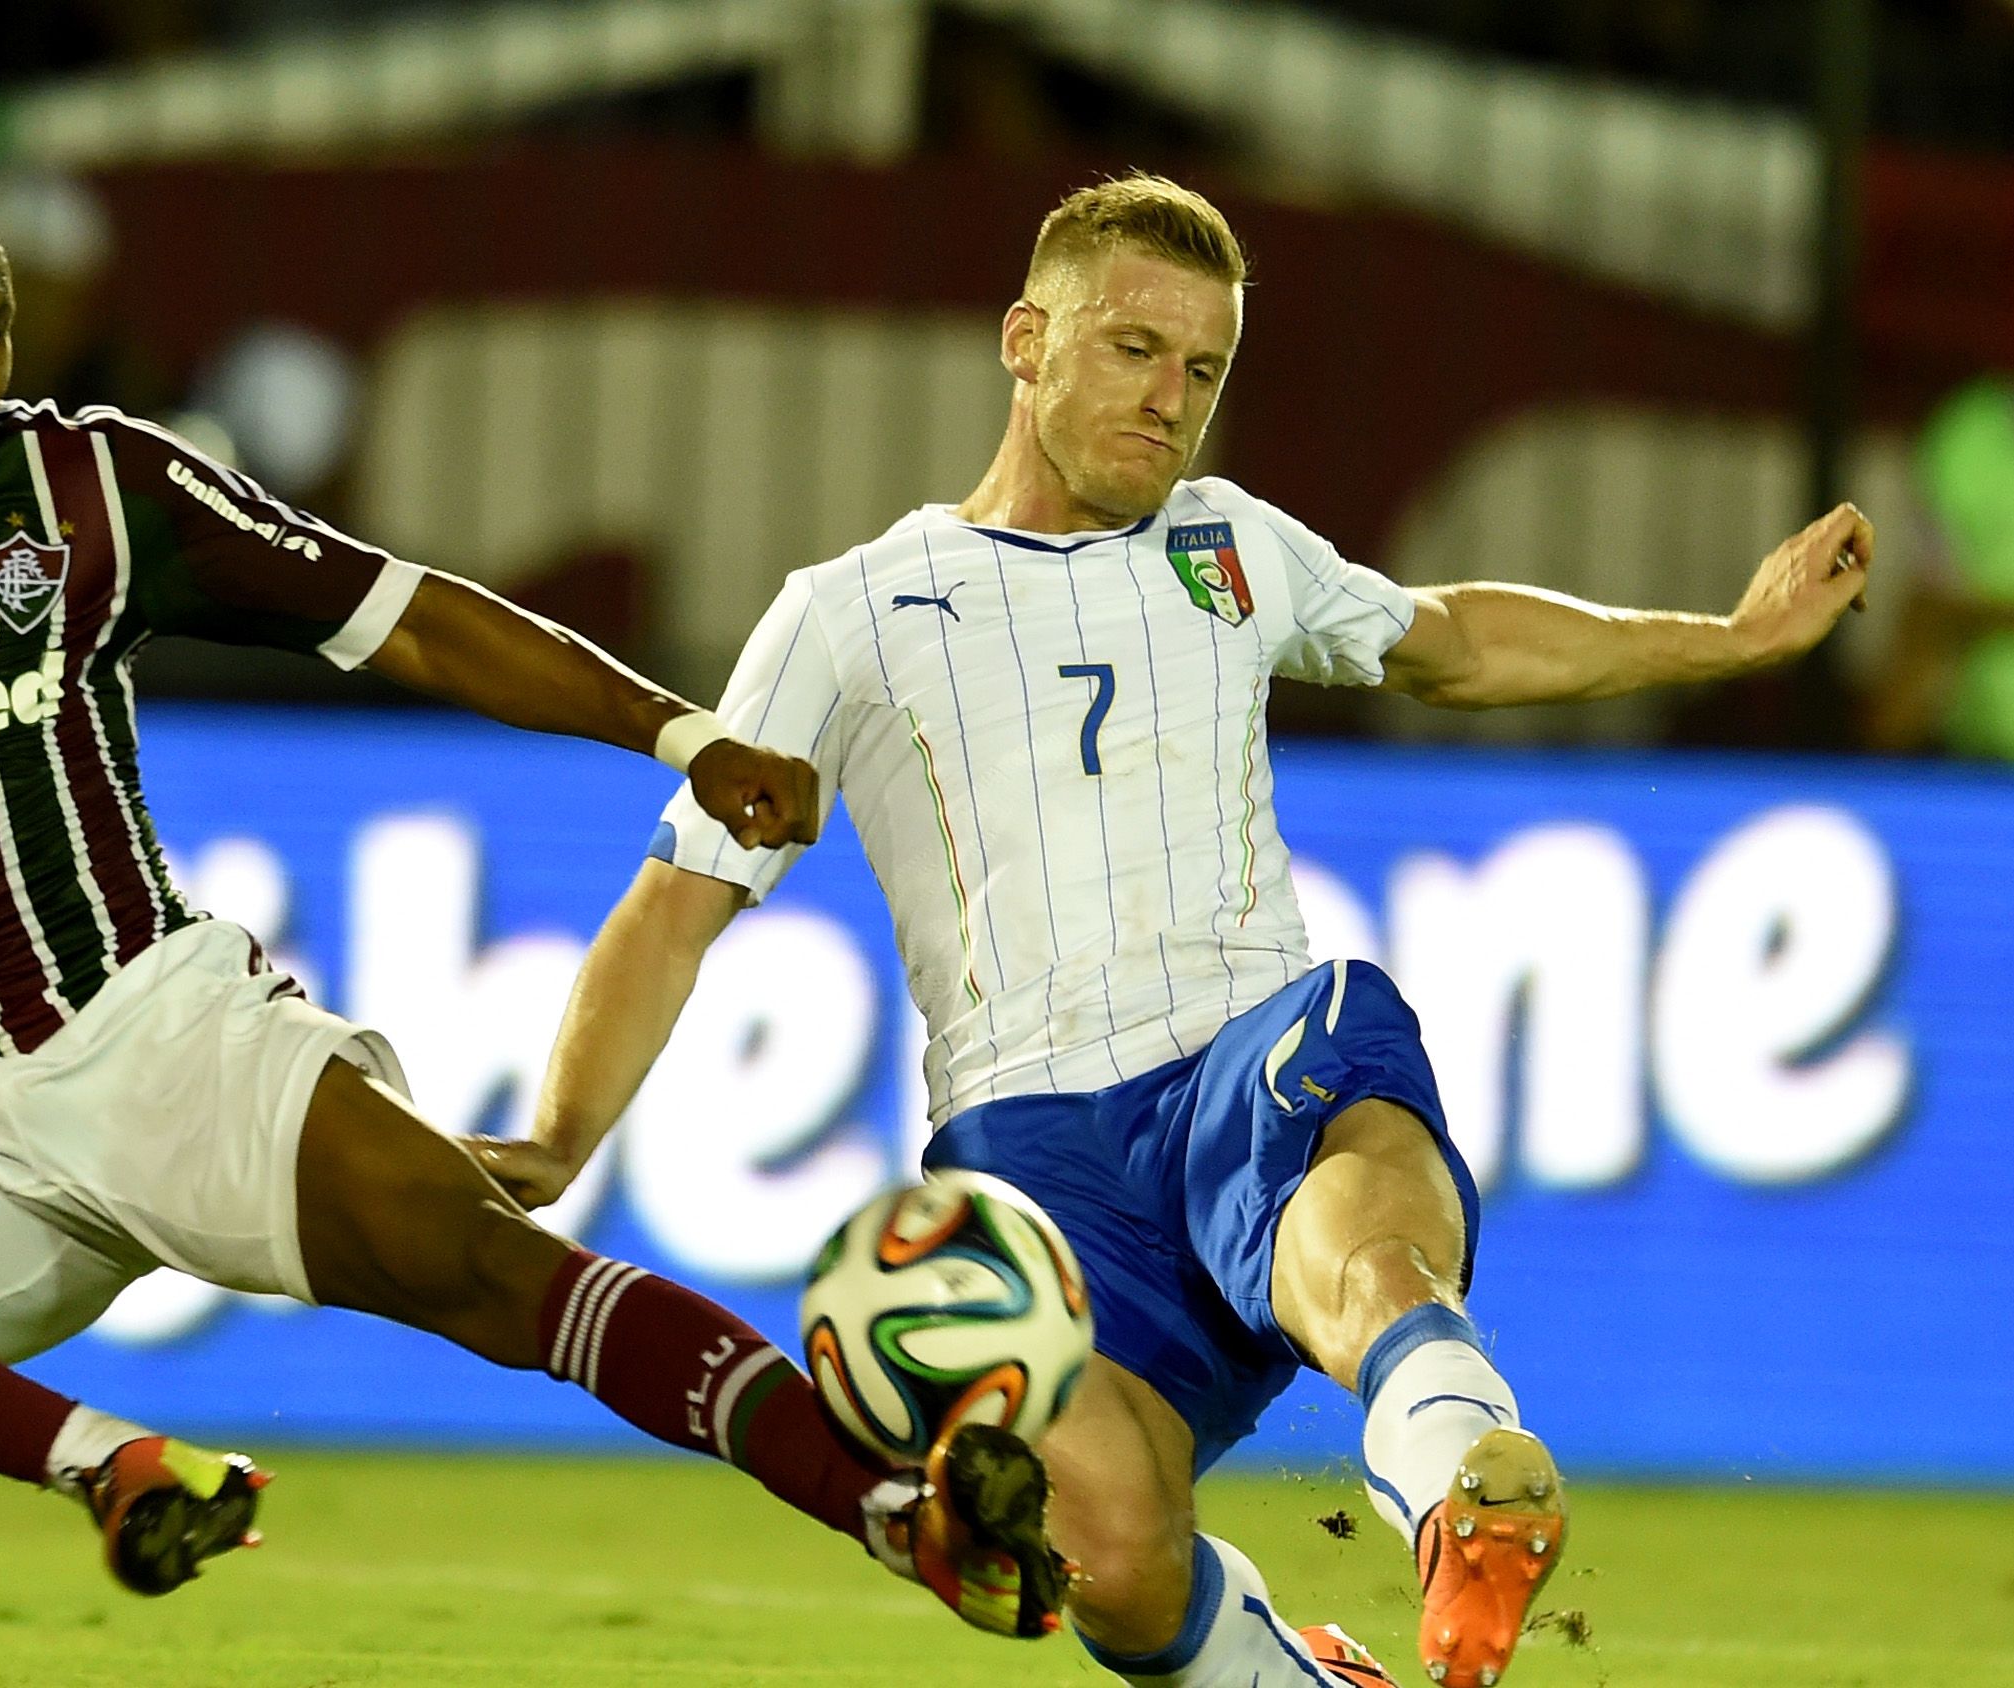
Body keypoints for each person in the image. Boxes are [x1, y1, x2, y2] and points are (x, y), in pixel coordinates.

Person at [0, 82, 1071, 1637]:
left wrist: (686, 735)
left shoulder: (95, 489)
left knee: (484, 1259)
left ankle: (898, 1509)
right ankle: (113, 1463)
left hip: (160, 1038)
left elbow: (413, 620)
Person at [486, 173, 1873, 1687]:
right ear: (1026, 341)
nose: (1172, 401)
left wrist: (1730, 639)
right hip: (1034, 1154)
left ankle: (1466, 1490)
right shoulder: (852, 613)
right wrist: (556, 1143)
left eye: (1204, 369)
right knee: (1117, 1565)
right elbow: (677, 908)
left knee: (1361, 1228)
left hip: (1239, 1045)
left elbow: (1453, 642)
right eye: (1135, 349)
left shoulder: (1228, 544)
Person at [1867, 197, 2014, 762]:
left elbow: (1952, 609)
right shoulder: (1969, 433)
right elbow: (1932, 597)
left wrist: (1978, 615)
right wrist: (1879, 756)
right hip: (1987, 763)